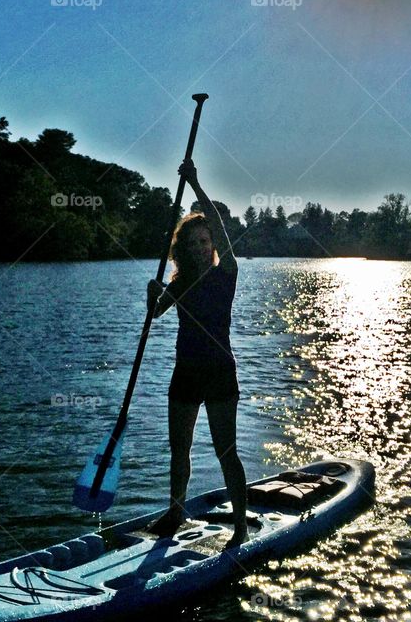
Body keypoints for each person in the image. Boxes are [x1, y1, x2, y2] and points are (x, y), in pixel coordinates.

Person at [146, 159, 248, 548]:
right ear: (184, 250)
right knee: (179, 449)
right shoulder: (182, 281)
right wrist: (151, 295)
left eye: (205, 242)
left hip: (220, 371)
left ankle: (239, 525)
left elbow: (220, 225)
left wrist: (195, 183)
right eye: (194, 244)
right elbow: (155, 314)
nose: (202, 248)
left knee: (227, 452)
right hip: (185, 372)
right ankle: (175, 509)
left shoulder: (227, 274)